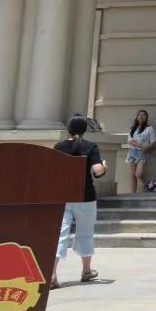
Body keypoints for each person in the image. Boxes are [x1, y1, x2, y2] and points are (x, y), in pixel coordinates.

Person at [52, 115, 107, 289]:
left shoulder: (59, 147)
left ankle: (52, 275)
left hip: (62, 196)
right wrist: (104, 166)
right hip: (85, 197)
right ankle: (86, 270)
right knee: (85, 233)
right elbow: (98, 171)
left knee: (60, 235)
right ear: (84, 130)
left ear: (68, 129)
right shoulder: (90, 146)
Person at [124, 109, 156, 193]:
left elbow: (154, 141)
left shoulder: (149, 128)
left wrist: (147, 147)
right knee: (132, 176)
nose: (141, 116)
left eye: (144, 115)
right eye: (140, 115)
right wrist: (140, 145)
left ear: (146, 118)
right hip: (132, 152)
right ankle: (132, 194)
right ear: (137, 117)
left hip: (142, 153)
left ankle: (145, 185)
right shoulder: (133, 129)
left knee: (138, 174)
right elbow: (130, 141)